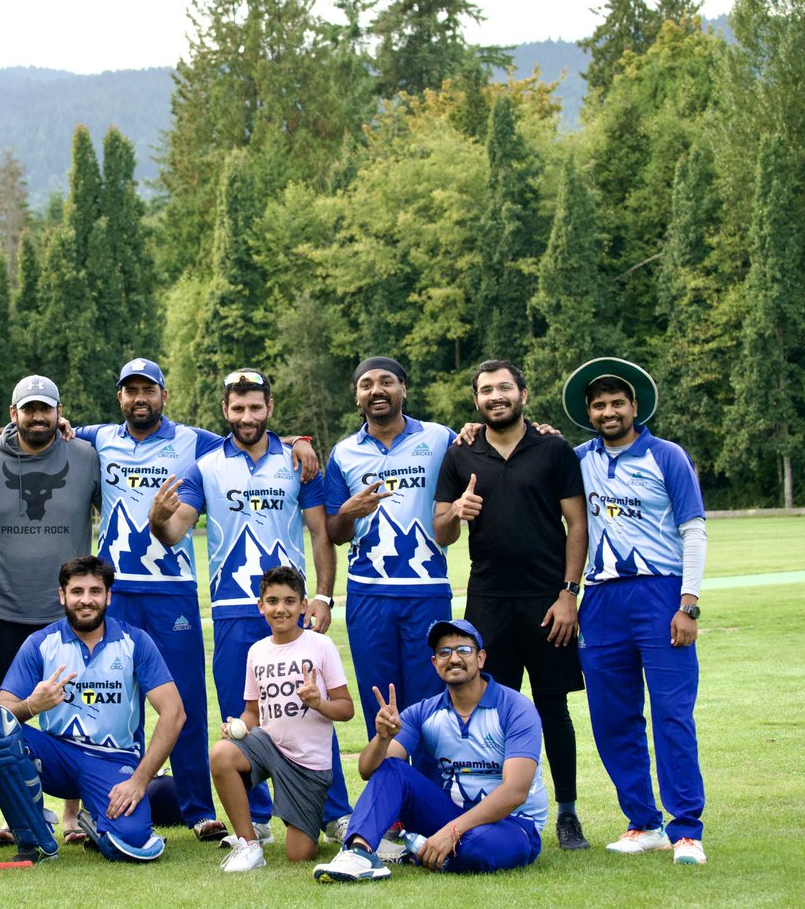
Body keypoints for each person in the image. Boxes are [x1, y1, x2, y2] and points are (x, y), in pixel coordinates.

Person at [0, 357, 317, 841]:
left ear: (163, 396)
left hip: (172, 590)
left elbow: (251, 436)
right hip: (113, 592)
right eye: (130, 391)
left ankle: (197, 810)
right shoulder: (96, 437)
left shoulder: (195, 441)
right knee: (110, 702)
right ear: (120, 398)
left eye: (148, 390)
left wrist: (298, 442)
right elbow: (34, 424)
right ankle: (100, 799)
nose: (140, 398)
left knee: (184, 699)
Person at [149, 368, 351, 844]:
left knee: (311, 711)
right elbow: (175, 530)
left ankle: (334, 812)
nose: (246, 417)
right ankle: (257, 818)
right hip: (233, 609)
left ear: (269, 408)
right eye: (237, 408)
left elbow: (321, 533)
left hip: (291, 611)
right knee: (245, 717)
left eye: (255, 407)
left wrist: (321, 596)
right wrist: (158, 522)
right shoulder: (207, 465)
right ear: (225, 411)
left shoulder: (299, 461)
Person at [433, 359, 590, 851]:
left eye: (505, 387)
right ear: (475, 400)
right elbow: (441, 531)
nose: (496, 396)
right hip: (487, 601)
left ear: (523, 392)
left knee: (551, 708)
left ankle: (566, 813)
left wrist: (569, 594)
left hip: (548, 602)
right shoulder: (462, 453)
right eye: (486, 390)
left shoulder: (554, 448)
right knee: (490, 711)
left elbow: (578, 526)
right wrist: (457, 511)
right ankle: (490, 809)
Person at [562, 357, 708, 866]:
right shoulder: (576, 457)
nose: (608, 411)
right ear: (589, 411)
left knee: (672, 715)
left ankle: (686, 830)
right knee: (611, 716)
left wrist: (688, 603)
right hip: (601, 600)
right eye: (599, 405)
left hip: (660, 593)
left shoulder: (666, 455)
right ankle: (643, 822)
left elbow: (693, 529)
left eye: (617, 403)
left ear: (634, 406)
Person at [0, 374, 100, 844]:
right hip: (4, 610)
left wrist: (294, 440)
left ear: (59, 413)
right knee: (4, 716)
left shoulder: (84, 456)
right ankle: (16, 811)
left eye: (46, 409)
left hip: (68, 613)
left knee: (77, 711)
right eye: (28, 409)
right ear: (13, 413)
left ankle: (74, 814)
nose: (38, 417)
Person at [0, 555, 186, 862]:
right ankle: (34, 834)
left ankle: (95, 821)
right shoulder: (41, 643)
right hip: (55, 755)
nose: (86, 600)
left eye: (95, 591)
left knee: (130, 845)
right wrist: (32, 705)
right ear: (62, 596)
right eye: (77, 591)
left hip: (112, 761)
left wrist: (140, 780)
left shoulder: (135, 642)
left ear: (108, 596)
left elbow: (174, 713)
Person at [312, 620, 547, 882]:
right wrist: (381, 739)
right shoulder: (424, 711)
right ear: (435, 664)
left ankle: (415, 850)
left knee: (478, 850)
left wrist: (452, 831)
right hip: (450, 814)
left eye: (464, 650)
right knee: (393, 767)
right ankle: (359, 852)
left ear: (481, 658)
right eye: (444, 652)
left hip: (512, 823)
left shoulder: (515, 708)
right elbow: (369, 771)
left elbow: (515, 791)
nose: (454, 658)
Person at [324, 356, 455, 740]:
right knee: (380, 711)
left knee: (431, 709)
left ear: (403, 389)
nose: (376, 390)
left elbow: (493, 441)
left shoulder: (439, 438)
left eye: (386, 382)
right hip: (368, 596)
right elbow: (335, 531)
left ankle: (431, 797)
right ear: (357, 396)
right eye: (366, 384)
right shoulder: (343, 452)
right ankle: (390, 795)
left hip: (427, 590)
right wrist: (349, 511)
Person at [208, 567, 354, 872]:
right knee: (221, 753)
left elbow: (346, 709)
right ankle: (249, 846)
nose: (280, 609)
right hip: (269, 746)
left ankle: (306, 824)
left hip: (308, 764)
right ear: (261, 606)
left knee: (299, 854)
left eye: (290, 601)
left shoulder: (320, 645)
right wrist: (237, 727)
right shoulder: (257, 651)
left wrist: (319, 703)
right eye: (272, 601)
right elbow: (253, 713)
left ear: (303, 605)